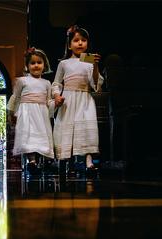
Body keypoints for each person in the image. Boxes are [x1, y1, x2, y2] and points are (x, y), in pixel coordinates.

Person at [51, 25, 103, 173]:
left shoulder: (89, 60)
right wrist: (57, 95)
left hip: (84, 99)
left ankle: (88, 160)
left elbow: (95, 85)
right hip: (68, 99)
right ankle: (68, 162)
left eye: (83, 40)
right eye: (76, 40)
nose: (80, 43)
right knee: (69, 128)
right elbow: (56, 83)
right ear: (69, 45)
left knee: (85, 128)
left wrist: (96, 66)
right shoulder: (64, 63)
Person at [7, 47, 55, 171]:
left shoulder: (47, 83)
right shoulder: (22, 81)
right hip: (26, 112)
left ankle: (44, 161)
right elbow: (15, 97)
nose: (36, 65)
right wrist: (12, 112)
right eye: (32, 63)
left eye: (39, 62)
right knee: (29, 137)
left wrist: (55, 105)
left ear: (44, 65)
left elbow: (48, 100)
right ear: (27, 65)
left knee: (40, 136)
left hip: (41, 113)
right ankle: (32, 161)